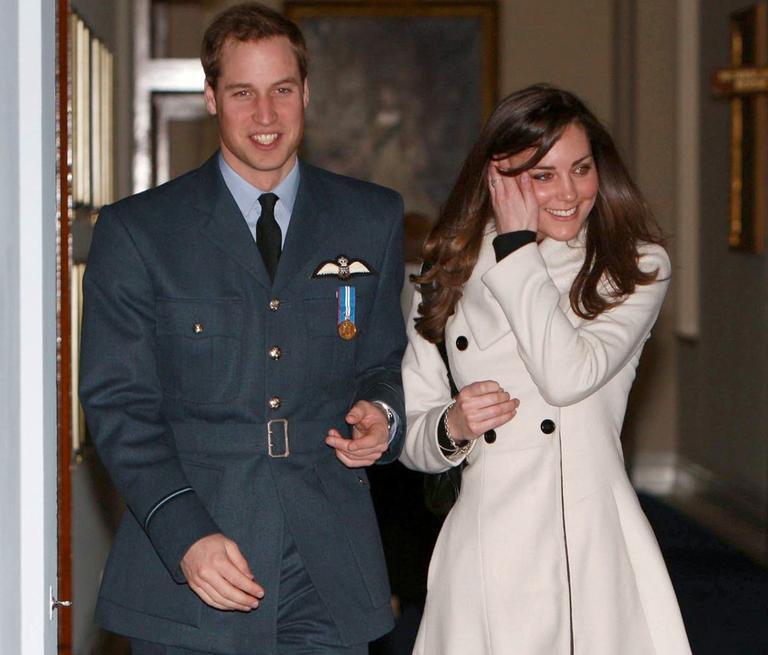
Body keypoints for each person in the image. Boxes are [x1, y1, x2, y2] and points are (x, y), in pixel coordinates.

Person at [79, 4, 406, 654]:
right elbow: (119, 405)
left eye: (281, 90)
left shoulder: (371, 218)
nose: (265, 115)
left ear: (306, 93)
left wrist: (383, 414)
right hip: (195, 566)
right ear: (211, 98)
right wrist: (184, 533)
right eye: (242, 93)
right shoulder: (140, 232)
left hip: (328, 566)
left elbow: (383, 361)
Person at [399, 85, 692, 654]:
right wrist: (451, 427)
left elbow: (565, 375)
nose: (569, 193)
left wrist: (515, 248)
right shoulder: (447, 270)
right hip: (486, 544)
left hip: (587, 542)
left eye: (581, 169)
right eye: (543, 175)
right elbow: (413, 432)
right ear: (499, 178)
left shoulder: (634, 267)